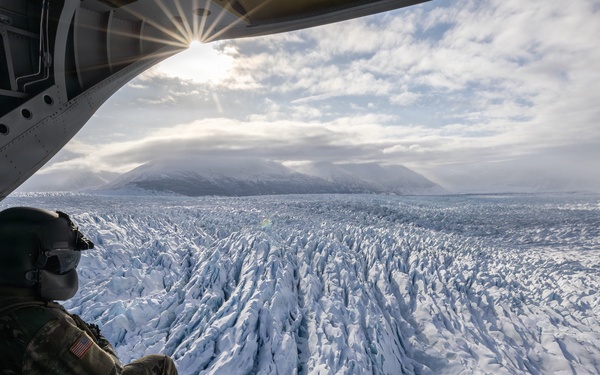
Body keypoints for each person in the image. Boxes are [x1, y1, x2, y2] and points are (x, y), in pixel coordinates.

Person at [0, 207, 178, 375]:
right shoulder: (43, 327)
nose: (67, 269)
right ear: (23, 261)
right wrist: (101, 343)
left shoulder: (10, 301)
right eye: (60, 261)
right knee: (162, 364)